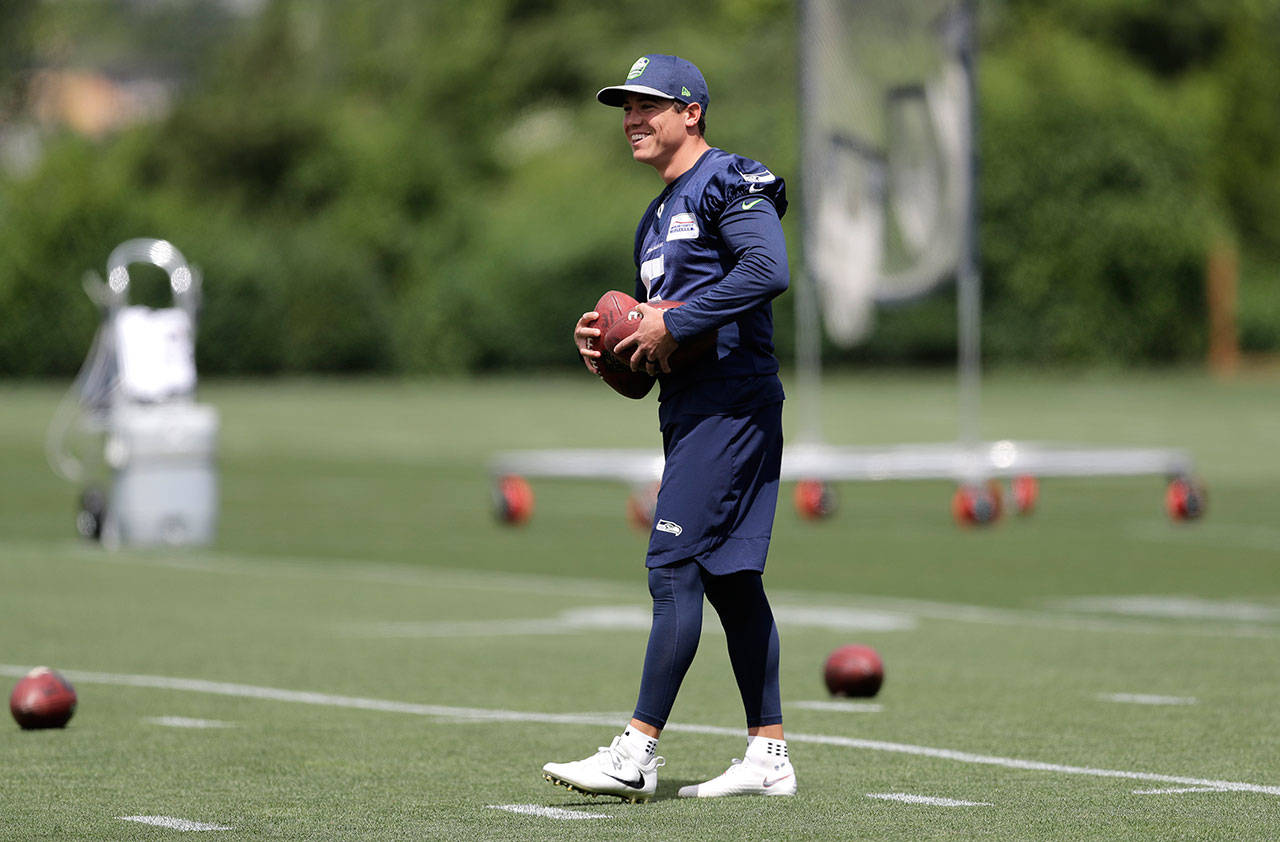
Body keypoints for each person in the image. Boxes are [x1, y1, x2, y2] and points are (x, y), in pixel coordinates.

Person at [542, 54, 795, 802]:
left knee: (670, 567)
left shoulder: (730, 179)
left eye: (649, 104)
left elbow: (767, 269)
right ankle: (768, 753)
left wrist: (672, 318)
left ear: (692, 112)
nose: (632, 119)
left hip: (732, 404)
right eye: (625, 107)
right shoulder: (652, 220)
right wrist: (619, 357)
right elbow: (661, 340)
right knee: (730, 579)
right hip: (691, 408)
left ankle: (636, 753)